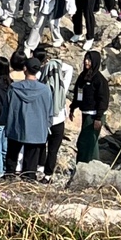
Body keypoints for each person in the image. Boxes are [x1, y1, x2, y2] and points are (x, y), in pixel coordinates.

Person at [6, 58, 53, 184]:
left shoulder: (14, 88)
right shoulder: (45, 90)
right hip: (37, 129)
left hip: (16, 126)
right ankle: (28, 181)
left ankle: (9, 178)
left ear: (25, 68)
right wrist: (47, 125)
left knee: (12, 155)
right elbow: (49, 111)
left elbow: (7, 108)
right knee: (32, 159)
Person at [36, 45, 74, 181]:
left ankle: (39, 168)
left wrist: (46, 65)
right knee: (53, 150)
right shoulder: (62, 87)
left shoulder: (41, 82)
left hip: (43, 120)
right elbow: (69, 69)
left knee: (41, 145)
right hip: (58, 121)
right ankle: (48, 175)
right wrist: (55, 63)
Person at [69, 51, 110, 164]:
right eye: (86, 59)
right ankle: (92, 164)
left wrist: (98, 118)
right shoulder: (83, 76)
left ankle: (84, 164)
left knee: (85, 142)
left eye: (89, 60)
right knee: (91, 142)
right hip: (86, 113)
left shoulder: (99, 79)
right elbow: (78, 94)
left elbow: (103, 100)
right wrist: (73, 107)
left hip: (94, 116)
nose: (86, 62)